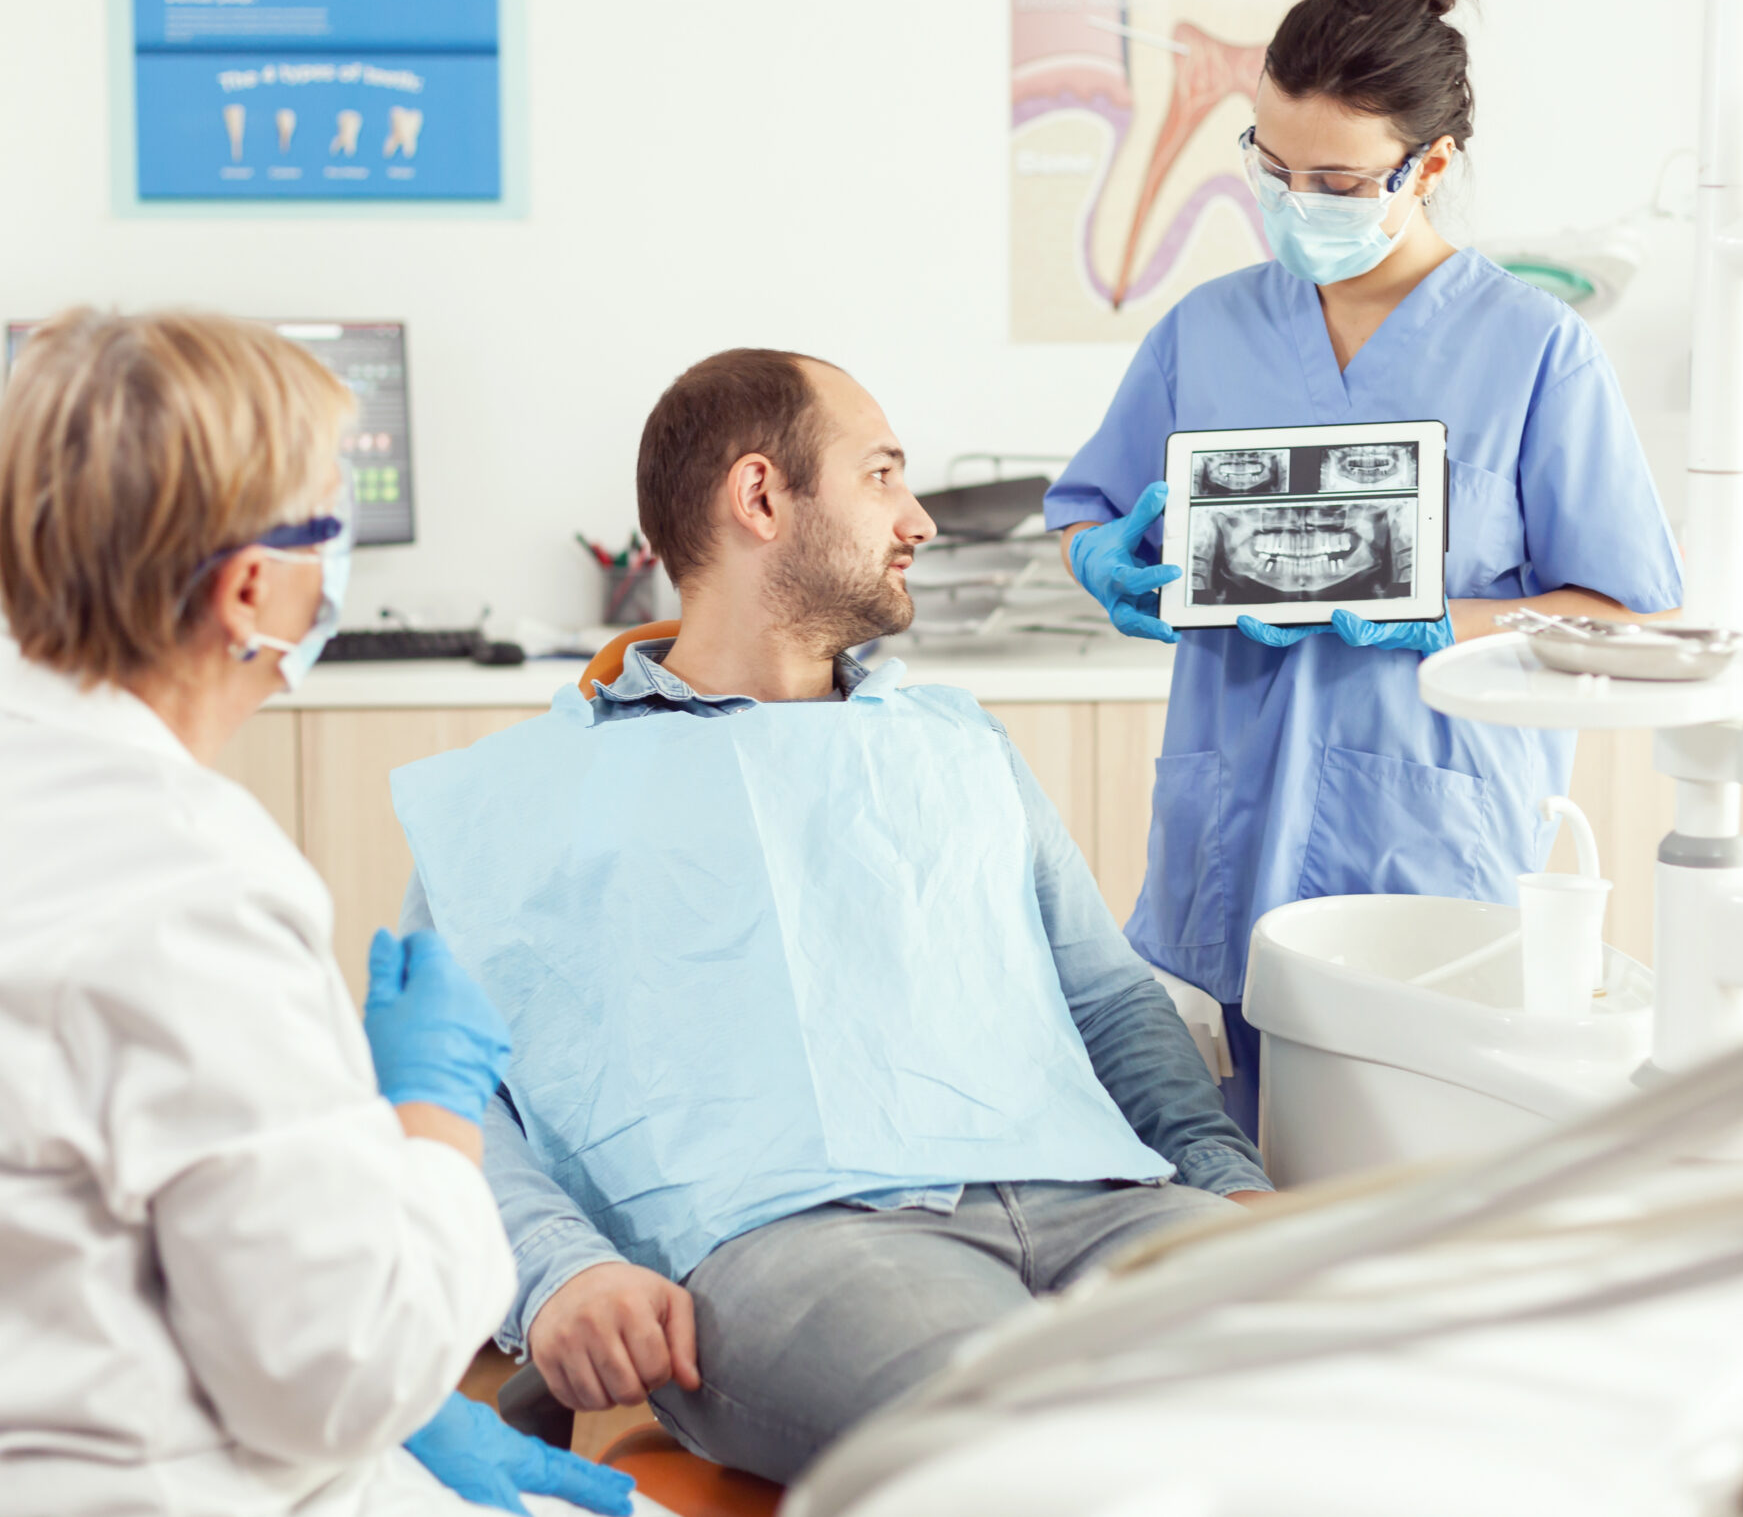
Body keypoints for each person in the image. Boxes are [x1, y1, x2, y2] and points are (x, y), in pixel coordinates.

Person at [0, 310, 632, 1517]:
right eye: (333, 518)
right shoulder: (177, 879)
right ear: (251, 587)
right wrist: (435, 1120)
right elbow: (337, 1376)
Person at [390, 348, 1274, 1486]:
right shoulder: (512, 800)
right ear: (761, 497)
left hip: (1103, 1201)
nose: (918, 521)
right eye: (883, 476)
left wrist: (1225, 1178)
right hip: (800, 1242)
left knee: (1362, 1395)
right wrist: (558, 1270)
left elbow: (1104, 1000)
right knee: (1036, 1457)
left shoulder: (952, 745)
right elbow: (445, 1092)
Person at [1050, 0, 1685, 1133]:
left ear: (1429, 166)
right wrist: (1104, 559)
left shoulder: (1536, 352)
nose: (1296, 201)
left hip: (1426, 848)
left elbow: (1630, 616)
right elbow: (1088, 508)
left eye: (1335, 179)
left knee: (1410, 1200)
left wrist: (1446, 618)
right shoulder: (1210, 331)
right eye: (1272, 166)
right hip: (1222, 847)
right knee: (1221, 1200)